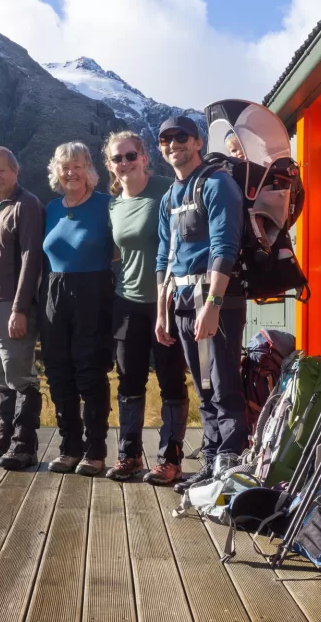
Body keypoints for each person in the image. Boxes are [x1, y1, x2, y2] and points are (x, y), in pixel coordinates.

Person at [153, 116, 247, 491]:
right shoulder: (168, 197)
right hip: (181, 301)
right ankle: (211, 463)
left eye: (180, 137)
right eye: (164, 139)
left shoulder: (217, 184)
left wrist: (213, 304)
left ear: (197, 142)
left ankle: (228, 471)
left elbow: (226, 246)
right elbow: (164, 257)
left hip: (213, 297)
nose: (172, 144)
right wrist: (161, 313)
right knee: (203, 386)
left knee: (224, 385)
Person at [101, 131, 190, 485]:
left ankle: (170, 459)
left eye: (130, 156)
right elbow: (116, 252)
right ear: (109, 165)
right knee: (129, 380)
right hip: (127, 303)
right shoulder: (113, 205)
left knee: (171, 379)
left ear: (144, 157)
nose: (124, 163)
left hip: (166, 301)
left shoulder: (167, 190)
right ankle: (129, 456)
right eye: (117, 158)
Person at [40, 141, 114, 476]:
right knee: (58, 373)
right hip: (54, 291)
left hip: (93, 290)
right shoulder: (51, 208)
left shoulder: (106, 205)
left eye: (78, 166)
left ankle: (95, 451)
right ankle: (69, 448)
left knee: (89, 371)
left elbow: (122, 248)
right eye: (64, 166)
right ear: (56, 171)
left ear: (90, 171)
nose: (71, 172)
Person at [0, 146, 46, 470]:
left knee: (19, 372)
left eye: (1, 170)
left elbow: (32, 258)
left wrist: (19, 308)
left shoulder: (26, 205)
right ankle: (3, 438)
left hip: (11, 304)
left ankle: (24, 445)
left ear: (15, 171)